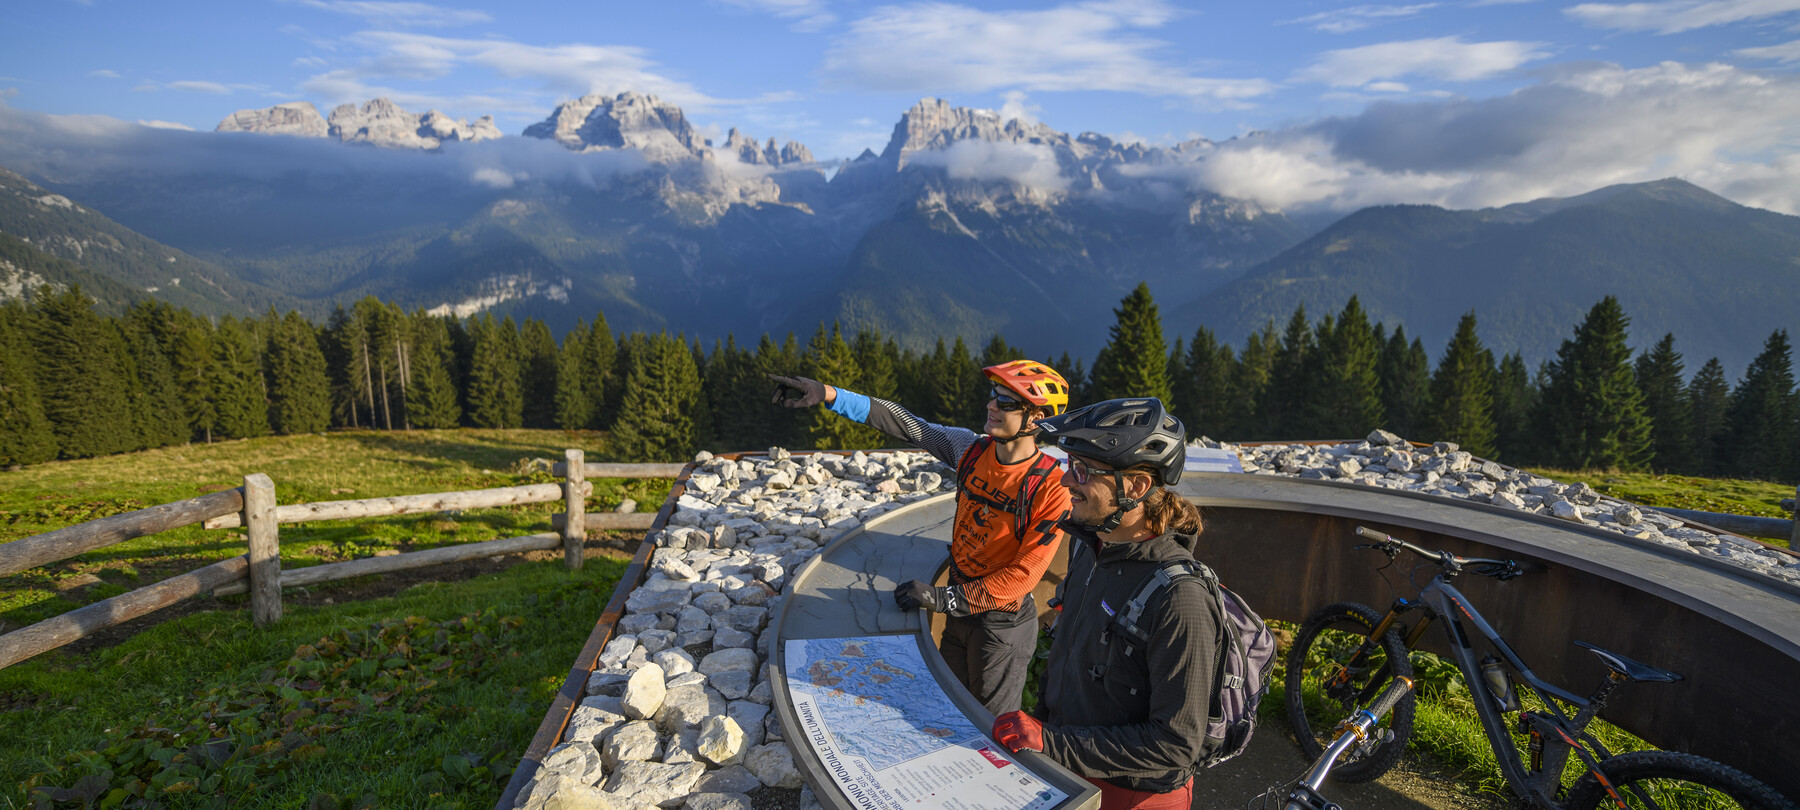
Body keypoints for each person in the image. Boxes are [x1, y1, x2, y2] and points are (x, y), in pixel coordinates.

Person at [770, 360, 1073, 715]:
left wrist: (941, 598)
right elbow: (909, 426)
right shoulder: (972, 450)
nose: (991, 405)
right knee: (950, 711)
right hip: (959, 612)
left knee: (989, 727)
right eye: (994, 395)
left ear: (1036, 419)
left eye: (1006, 402)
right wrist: (829, 394)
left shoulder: (1051, 487)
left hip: (1001, 627)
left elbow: (1024, 576)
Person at [989, 397, 1214, 810]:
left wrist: (1052, 741)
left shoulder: (1180, 598)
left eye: (1082, 470)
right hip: (1070, 767)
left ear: (1137, 487)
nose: (1065, 480)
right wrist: (1046, 730)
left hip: (1133, 795)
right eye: (1068, 464)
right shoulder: (1091, 547)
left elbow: (1177, 743)